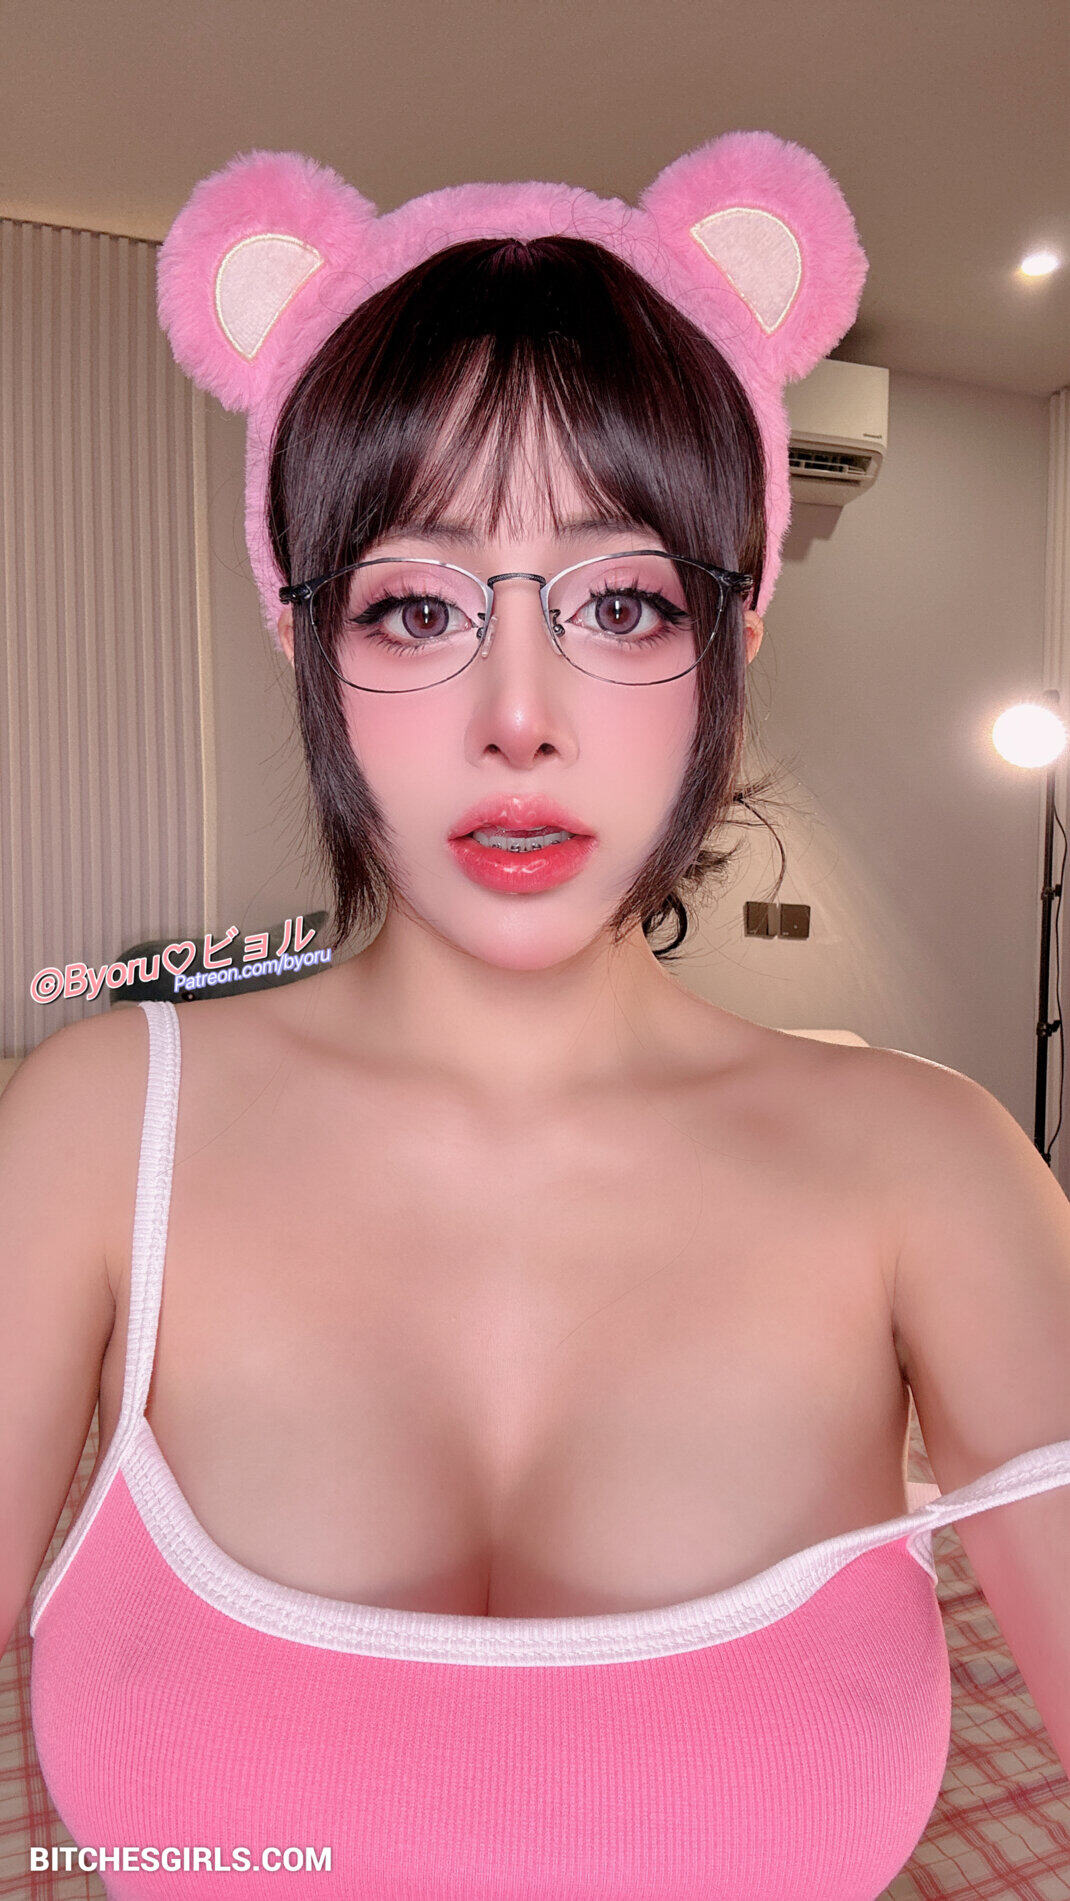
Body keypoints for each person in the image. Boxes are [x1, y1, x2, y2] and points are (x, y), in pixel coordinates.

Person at [6, 133, 1070, 1900]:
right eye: (414, 604)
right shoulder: (104, 1122)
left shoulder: (931, 1168)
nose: (519, 714)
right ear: (305, 636)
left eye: (623, 601)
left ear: (732, 633)